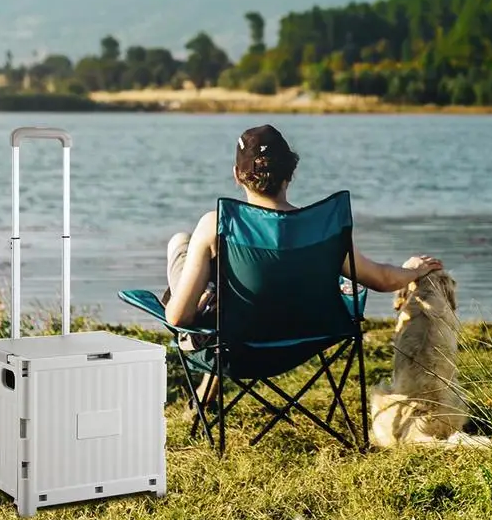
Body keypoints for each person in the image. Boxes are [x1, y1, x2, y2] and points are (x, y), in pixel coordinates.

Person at [163, 124, 444, 403]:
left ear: (237, 175)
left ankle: (206, 296)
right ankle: (211, 311)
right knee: (230, 287)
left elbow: (177, 319)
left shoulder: (217, 224)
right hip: (305, 344)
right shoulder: (322, 228)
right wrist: (415, 270)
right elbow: (382, 278)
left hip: (233, 349)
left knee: (181, 243)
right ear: (291, 173)